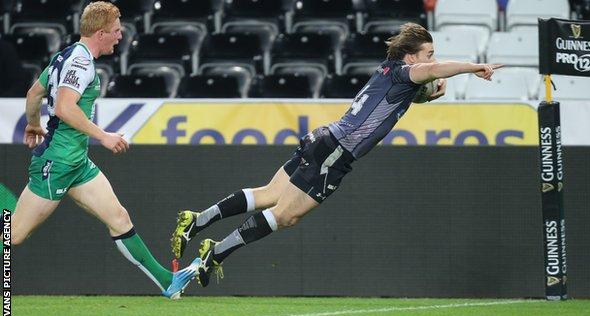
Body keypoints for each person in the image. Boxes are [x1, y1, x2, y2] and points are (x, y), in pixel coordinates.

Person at [170, 23, 503, 287]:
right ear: (412, 57)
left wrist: (428, 98)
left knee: (269, 195)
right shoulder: (406, 71)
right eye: (429, 53)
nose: (433, 58)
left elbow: (404, 96)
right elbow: (434, 71)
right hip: (337, 152)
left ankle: (197, 220)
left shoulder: (391, 72)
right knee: (286, 215)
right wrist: (476, 67)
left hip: (325, 138)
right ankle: (215, 254)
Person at [10, 1, 200, 299]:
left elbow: (35, 92)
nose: (120, 35)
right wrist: (105, 136)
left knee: (119, 218)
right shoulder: (81, 63)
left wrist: (33, 124)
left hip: (76, 163)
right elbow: (64, 107)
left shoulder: (66, 55)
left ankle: (168, 282)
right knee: (15, 235)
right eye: (116, 30)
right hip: (57, 163)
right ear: (100, 33)